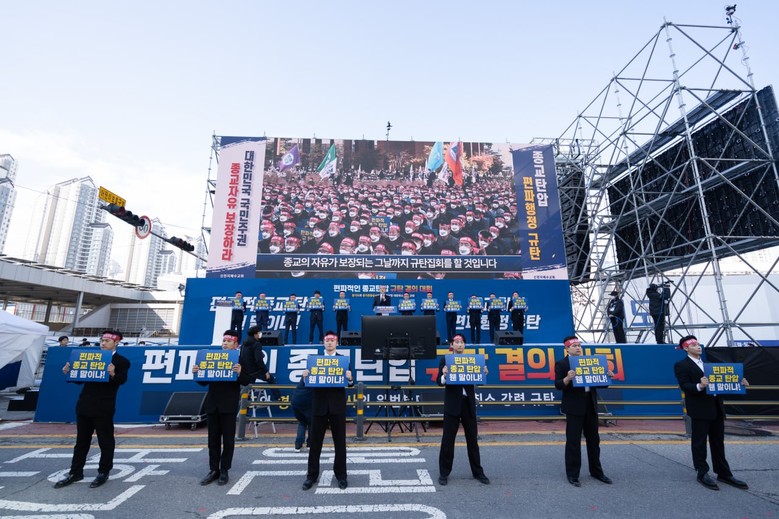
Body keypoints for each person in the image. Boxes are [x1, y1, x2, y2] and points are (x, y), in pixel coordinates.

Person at [54, 330, 130, 489]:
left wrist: (113, 373)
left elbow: (121, 380)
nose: (103, 343)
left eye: (107, 341)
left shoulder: (121, 361)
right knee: (81, 442)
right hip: (85, 404)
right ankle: (75, 472)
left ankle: (103, 472)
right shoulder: (91, 357)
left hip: (104, 406)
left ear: (116, 343)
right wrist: (69, 371)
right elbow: (80, 379)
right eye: (102, 340)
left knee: (105, 441)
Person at [674, 335, 749, 491]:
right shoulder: (682, 365)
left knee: (718, 442)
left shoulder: (710, 365)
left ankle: (724, 473)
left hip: (716, 409)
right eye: (693, 345)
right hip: (699, 410)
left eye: (698, 344)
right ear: (686, 348)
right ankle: (702, 472)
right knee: (699, 443)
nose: (698, 346)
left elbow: (723, 382)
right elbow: (685, 385)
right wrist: (700, 385)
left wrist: (738, 381)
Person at [193, 330, 251, 486]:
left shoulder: (240, 359)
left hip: (229, 406)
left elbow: (247, 380)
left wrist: (240, 372)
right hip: (212, 404)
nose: (225, 343)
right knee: (213, 440)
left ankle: (224, 470)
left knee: (228, 440)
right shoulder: (212, 358)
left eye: (229, 341)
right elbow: (203, 382)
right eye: (224, 341)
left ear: (236, 344)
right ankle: (213, 470)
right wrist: (197, 373)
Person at [554, 335, 613, 487]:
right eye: (574, 346)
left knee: (594, 441)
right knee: (573, 442)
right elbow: (558, 385)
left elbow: (601, 384)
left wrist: (607, 376)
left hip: (590, 405)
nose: (578, 348)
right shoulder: (562, 363)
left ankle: (597, 472)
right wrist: (567, 378)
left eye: (579, 345)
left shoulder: (589, 362)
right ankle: (573, 475)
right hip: (574, 407)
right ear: (567, 349)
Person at [302, 331, 354, 491]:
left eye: (332, 340)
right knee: (315, 443)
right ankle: (311, 476)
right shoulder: (315, 361)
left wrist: (350, 378)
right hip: (319, 406)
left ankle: (341, 476)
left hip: (337, 406)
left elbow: (351, 383)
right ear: (323, 343)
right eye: (327, 340)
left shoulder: (343, 361)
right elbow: (307, 384)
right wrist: (304, 377)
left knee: (340, 443)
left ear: (337, 343)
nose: (330, 342)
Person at [437, 334, 490, 486]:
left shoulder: (472, 360)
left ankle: (478, 472)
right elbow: (439, 381)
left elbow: (478, 381)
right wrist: (444, 375)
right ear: (452, 345)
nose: (459, 344)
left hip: (468, 403)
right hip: (452, 404)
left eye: (462, 342)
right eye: (456, 342)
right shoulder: (445, 360)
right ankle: (444, 473)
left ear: (465, 345)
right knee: (448, 440)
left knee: (472, 440)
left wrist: (483, 373)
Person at [240, 326, 281, 400]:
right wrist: (265, 371)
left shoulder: (244, 344)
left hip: (246, 370)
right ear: (255, 334)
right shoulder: (257, 344)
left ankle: (245, 402)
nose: (259, 334)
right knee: (270, 379)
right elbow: (258, 360)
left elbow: (243, 356)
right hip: (255, 370)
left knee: (249, 385)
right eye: (258, 333)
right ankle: (278, 398)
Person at [291, 378, 313, 452]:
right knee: (311, 423)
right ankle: (310, 444)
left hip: (295, 402)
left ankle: (298, 445)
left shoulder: (304, 378)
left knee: (302, 422)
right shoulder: (316, 379)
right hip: (308, 402)